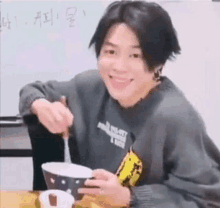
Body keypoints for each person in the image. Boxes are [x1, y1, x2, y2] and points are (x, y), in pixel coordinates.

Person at [19, 1, 220, 207]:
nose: (119, 67)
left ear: (159, 63)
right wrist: (42, 106)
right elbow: (32, 91)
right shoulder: (90, 86)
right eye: (111, 52)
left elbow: (209, 197)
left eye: (135, 55)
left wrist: (130, 197)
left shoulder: (175, 116)